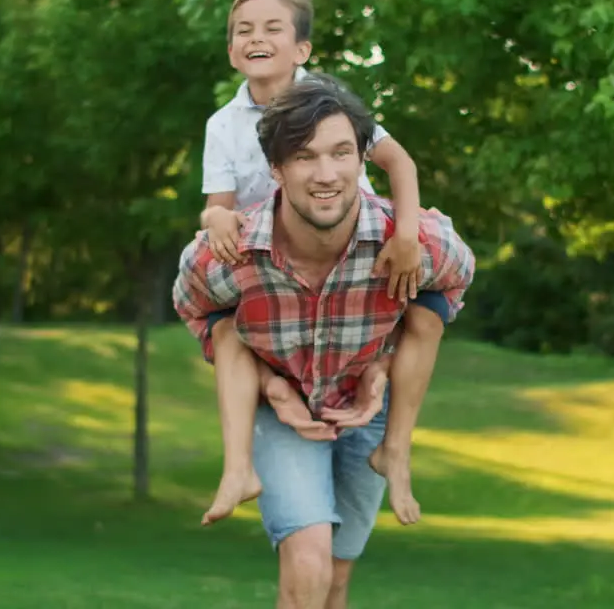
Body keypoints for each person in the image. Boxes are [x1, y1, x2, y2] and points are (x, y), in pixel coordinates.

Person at [174, 73, 475, 608]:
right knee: (308, 562)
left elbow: (455, 278)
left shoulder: (410, 243)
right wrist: (269, 385)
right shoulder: (231, 254)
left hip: (368, 414)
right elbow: (195, 305)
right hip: (281, 411)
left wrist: (384, 361)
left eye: (341, 153)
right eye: (305, 157)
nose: (326, 174)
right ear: (276, 169)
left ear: (363, 160)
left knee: (334, 581)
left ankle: (394, 453)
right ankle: (236, 468)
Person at [196, 0, 448, 527]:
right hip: (277, 268)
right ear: (232, 49)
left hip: (356, 257)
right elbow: (218, 206)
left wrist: (405, 235)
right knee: (225, 327)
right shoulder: (223, 125)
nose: (255, 37)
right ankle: (239, 465)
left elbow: (399, 163)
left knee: (428, 313)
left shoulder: (332, 103)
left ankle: (395, 446)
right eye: (242, 30)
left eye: (271, 27)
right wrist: (216, 218)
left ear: (302, 48)